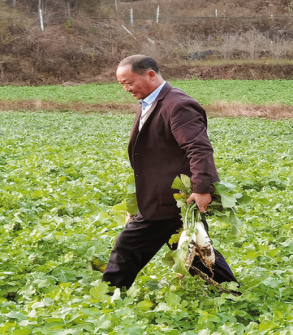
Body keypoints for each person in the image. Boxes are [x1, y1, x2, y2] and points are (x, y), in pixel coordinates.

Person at [102, 55, 238, 289]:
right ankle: (229, 291)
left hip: (170, 197)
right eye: (121, 84)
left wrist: (202, 188)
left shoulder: (177, 105)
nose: (125, 89)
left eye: (129, 82)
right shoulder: (150, 102)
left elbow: (198, 148)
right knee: (191, 248)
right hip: (162, 195)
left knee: (128, 247)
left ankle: (105, 296)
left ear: (150, 75)